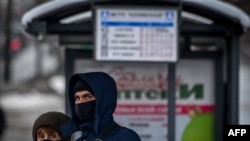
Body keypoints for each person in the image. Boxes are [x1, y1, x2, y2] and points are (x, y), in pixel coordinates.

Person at [61, 72, 141, 141]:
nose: (80, 102)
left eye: (87, 97)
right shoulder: (81, 139)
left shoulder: (124, 137)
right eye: (77, 98)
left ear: (103, 100)